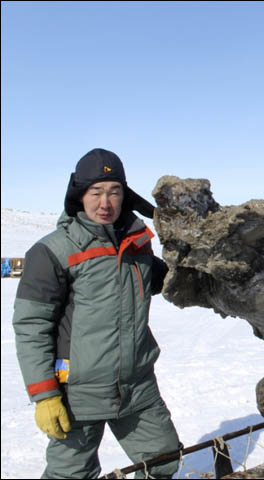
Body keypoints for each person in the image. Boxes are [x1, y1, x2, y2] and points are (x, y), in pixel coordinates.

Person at [13, 148, 182, 478]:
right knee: (71, 474)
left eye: (114, 191)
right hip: (77, 392)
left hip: (137, 387)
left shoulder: (138, 247)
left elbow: (174, 280)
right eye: (96, 192)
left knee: (163, 462)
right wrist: (44, 395)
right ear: (80, 195)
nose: (105, 202)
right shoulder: (51, 251)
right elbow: (31, 326)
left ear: (125, 196)